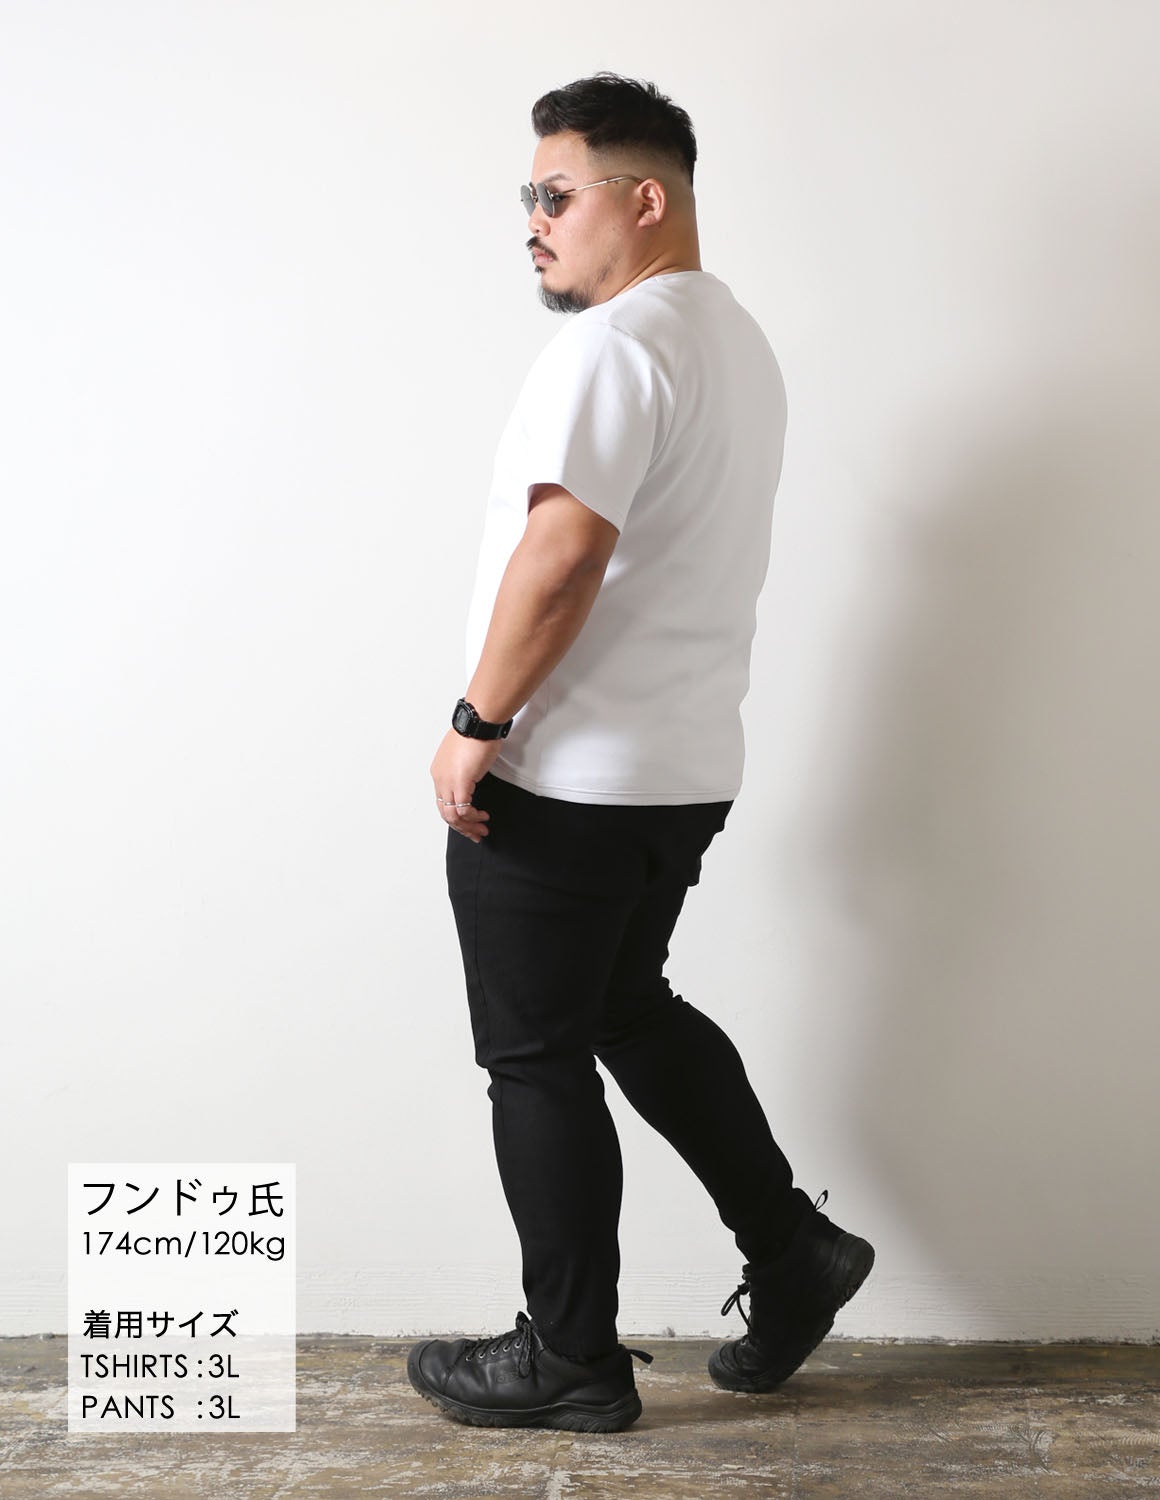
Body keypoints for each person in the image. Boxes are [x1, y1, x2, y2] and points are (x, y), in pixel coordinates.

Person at [407, 72, 874, 1434]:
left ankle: (570, 1358)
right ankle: (794, 1249)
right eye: (529, 198)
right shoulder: (734, 340)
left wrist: (476, 724)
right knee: (626, 1010)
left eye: (557, 195)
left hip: (565, 777)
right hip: (681, 771)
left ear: (646, 199)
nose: (533, 223)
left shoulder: (613, 348)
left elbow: (563, 556)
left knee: (535, 1058)